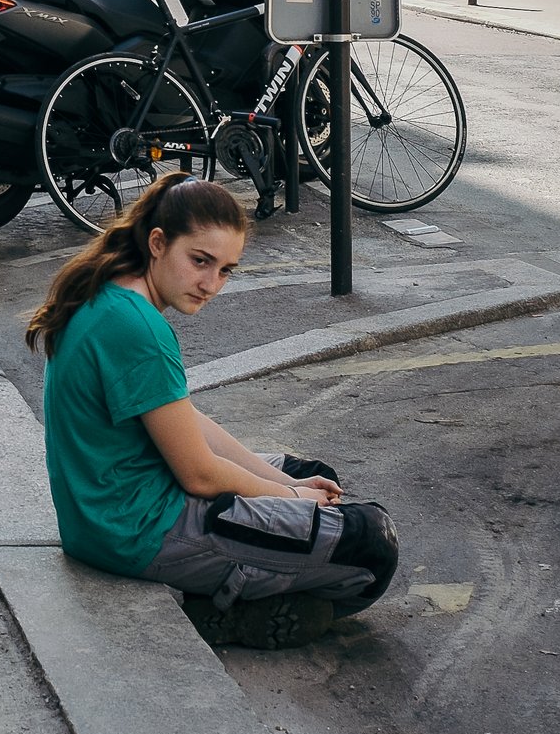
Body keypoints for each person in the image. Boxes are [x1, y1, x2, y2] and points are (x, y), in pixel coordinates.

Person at [28, 174, 399, 650]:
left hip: (107, 517)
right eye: (200, 261)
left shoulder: (115, 294)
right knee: (371, 546)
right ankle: (223, 609)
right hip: (138, 530)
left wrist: (285, 483)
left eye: (226, 270)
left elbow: (187, 423)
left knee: (314, 475)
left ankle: (247, 581)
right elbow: (199, 476)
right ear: (159, 243)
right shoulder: (136, 327)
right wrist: (288, 499)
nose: (211, 285)